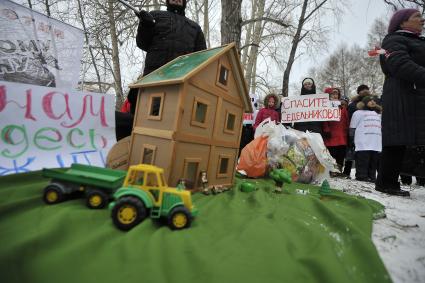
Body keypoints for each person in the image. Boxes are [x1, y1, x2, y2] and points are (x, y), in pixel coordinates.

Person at [117, 0, 207, 139]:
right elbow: (142, 43)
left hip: (179, 87)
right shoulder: (155, 16)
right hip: (152, 83)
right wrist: (145, 25)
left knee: (172, 126)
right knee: (145, 122)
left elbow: (202, 59)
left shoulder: (194, 28)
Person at [375, 9, 425, 196]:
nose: (422, 19)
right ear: (402, 23)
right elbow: (400, 64)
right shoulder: (393, 40)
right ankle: (386, 182)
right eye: (417, 17)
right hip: (400, 96)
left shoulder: (419, 41)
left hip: (417, 96)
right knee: (397, 138)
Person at [350, 96, 382, 182]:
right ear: (364, 102)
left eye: (374, 100)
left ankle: (372, 176)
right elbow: (353, 127)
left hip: (376, 142)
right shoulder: (358, 113)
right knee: (363, 160)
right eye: (370, 100)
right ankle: (362, 176)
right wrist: (351, 139)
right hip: (362, 141)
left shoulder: (379, 114)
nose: (372, 102)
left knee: (373, 161)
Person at [322, 88, 349, 176]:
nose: (335, 96)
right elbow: (324, 120)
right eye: (332, 94)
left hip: (342, 136)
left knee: (340, 155)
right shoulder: (325, 107)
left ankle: (338, 171)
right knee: (332, 154)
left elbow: (346, 121)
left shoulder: (343, 109)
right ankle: (331, 170)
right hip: (331, 135)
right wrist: (326, 129)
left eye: (336, 94)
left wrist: (347, 132)